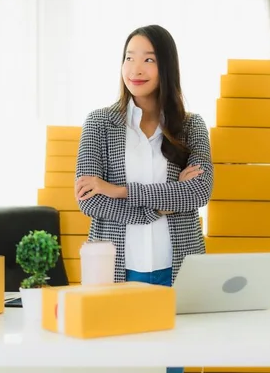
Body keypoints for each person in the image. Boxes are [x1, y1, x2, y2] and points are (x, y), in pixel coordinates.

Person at [74, 24, 213, 373]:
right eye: (128, 57)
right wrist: (161, 207)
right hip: (118, 269)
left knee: (174, 365)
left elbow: (199, 191)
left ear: (166, 66)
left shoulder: (191, 126)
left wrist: (120, 190)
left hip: (178, 269)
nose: (135, 68)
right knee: (119, 363)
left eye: (148, 59)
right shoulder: (99, 123)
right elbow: (89, 198)